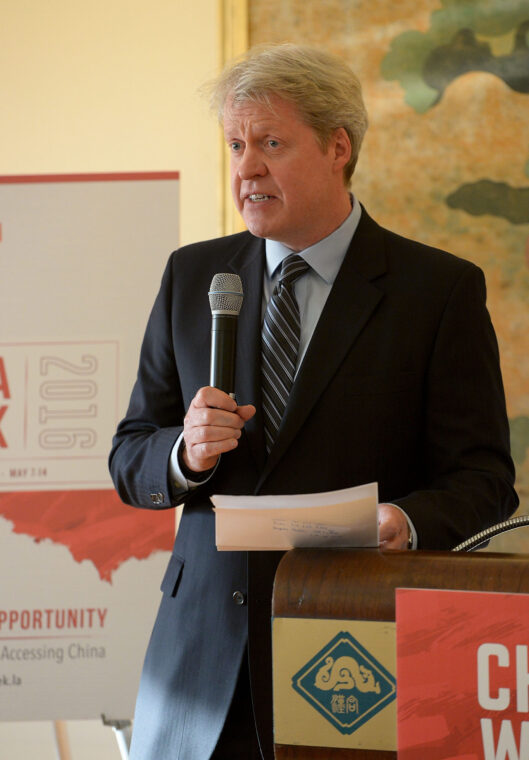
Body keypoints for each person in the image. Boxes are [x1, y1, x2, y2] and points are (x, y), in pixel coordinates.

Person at [108, 43, 518, 760]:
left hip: (357, 650)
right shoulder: (193, 275)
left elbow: (483, 481)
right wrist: (183, 452)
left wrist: (405, 520)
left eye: (270, 143)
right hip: (200, 668)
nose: (245, 168)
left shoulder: (436, 291)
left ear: (337, 147)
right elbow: (129, 452)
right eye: (236, 144)